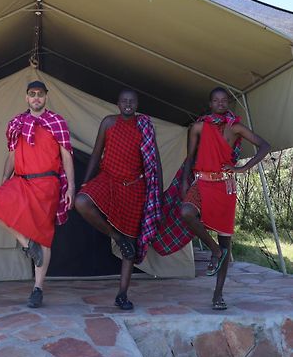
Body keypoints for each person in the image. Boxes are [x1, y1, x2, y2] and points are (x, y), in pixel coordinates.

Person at [0, 80, 75, 308]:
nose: (36, 98)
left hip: (47, 184)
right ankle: (27, 245)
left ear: (46, 97)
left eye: (40, 94)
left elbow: (67, 156)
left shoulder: (57, 122)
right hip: (22, 181)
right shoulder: (17, 123)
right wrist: (5, 180)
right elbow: (12, 155)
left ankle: (37, 288)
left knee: (44, 236)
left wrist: (71, 186)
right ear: (26, 97)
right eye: (32, 94)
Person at [180, 87, 270, 310]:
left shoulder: (235, 127)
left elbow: (265, 145)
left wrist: (243, 167)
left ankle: (218, 295)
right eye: (216, 100)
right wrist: (183, 181)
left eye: (224, 100)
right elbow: (190, 157)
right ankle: (215, 251)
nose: (220, 104)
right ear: (210, 104)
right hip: (201, 181)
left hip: (224, 185)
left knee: (225, 239)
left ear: (228, 103)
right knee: (186, 212)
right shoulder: (198, 127)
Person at [75, 89, 163, 310]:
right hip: (109, 179)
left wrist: (157, 191)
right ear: (117, 103)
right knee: (81, 202)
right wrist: (85, 182)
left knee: (131, 242)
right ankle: (116, 237)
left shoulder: (144, 127)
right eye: (124, 101)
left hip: (135, 187)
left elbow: (155, 161)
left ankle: (122, 294)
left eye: (132, 102)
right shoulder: (108, 123)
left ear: (137, 104)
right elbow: (96, 154)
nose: (128, 105)